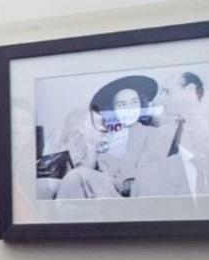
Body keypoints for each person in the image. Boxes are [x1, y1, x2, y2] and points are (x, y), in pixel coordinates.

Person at [55, 75, 183, 199]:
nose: (129, 109)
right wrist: (92, 145)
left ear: (141, 105)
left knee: (78, 176)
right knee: (76, 177)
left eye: (134, 102)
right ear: (113, 109)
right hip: (103, 190)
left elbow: (150, 176)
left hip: (133, 191)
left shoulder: (153, 134)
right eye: (122, 105)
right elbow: (89, 170)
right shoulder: (105, 135)